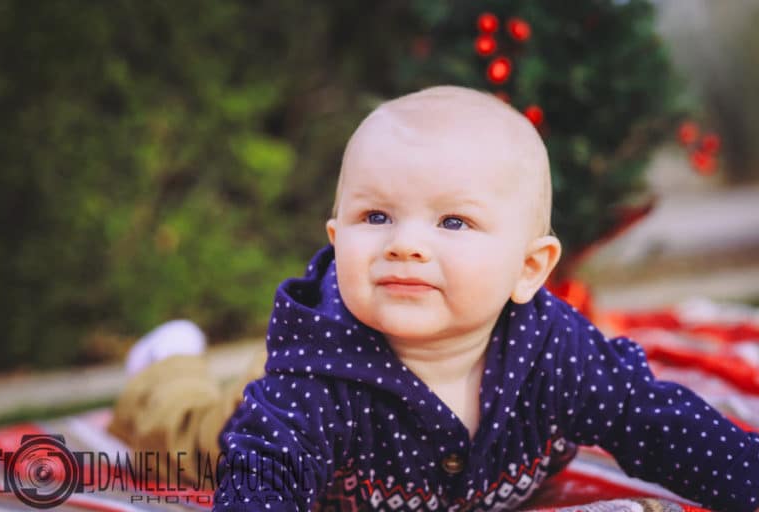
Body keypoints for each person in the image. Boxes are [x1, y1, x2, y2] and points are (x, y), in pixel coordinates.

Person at [111, 86, 759, 511]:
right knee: (192, 435)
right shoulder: (311, 388)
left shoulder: (556, 352)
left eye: (453, 223)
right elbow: (262, 476)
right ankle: (165, 365)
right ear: (336, 239)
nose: (405, 245)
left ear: (529, 269)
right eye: (375, 217)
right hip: (283, 381)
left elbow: (658, 422)